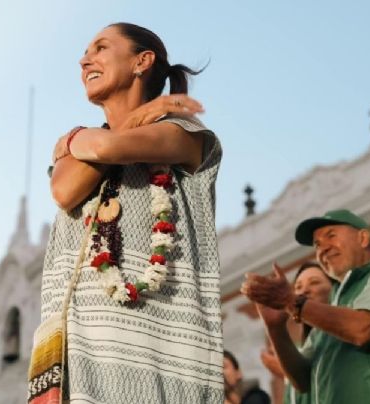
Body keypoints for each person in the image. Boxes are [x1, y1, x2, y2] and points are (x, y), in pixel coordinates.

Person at [28, 22, 224, 403]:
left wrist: (70, 141)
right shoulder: (80, 147)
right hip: (79, 368)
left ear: (142, 61)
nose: (85, 60)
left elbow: (105, 150)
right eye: (85, 53)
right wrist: (123, 123)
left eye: (100, 48)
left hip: (159, 367)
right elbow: (65, 189)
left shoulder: (183, 132)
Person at [241, 209, 370, 403]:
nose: (322, 248)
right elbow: (302, 381)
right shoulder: (328, 320)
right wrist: (276, 328)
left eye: (331, 236)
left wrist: (291, 302)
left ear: (363, 238)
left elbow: (364, 328)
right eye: (317, 245)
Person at [259, 262, 332, 404]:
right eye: (298, 287)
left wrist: (284, 372)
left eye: (315, 282)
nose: (304, 291)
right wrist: (274, 327)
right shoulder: (309, 347)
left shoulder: (345, 334)